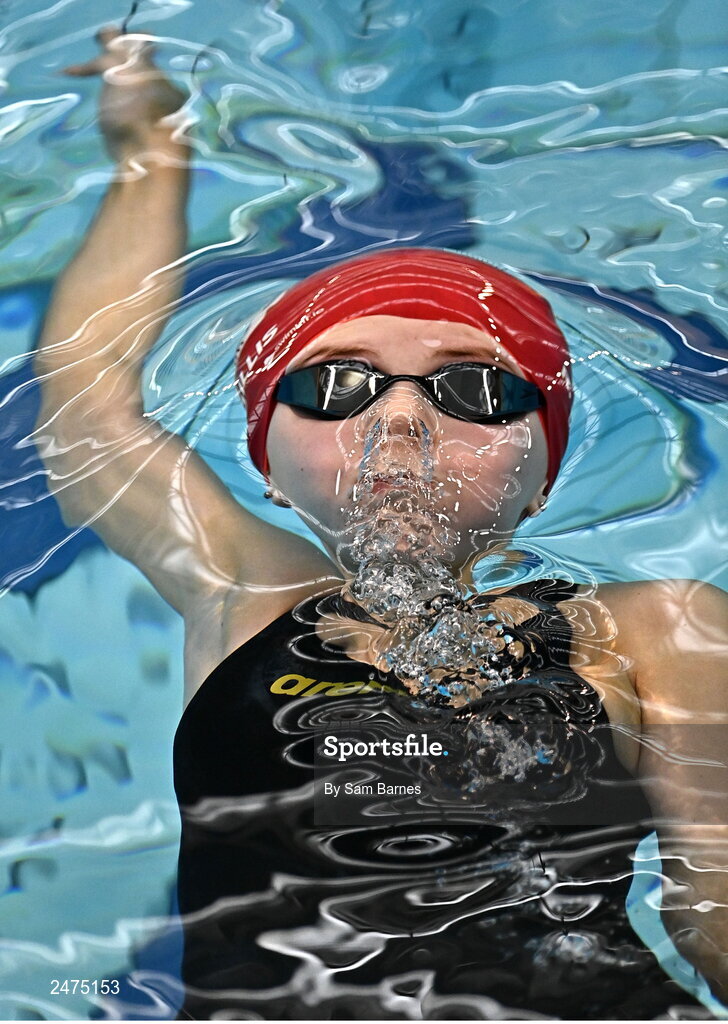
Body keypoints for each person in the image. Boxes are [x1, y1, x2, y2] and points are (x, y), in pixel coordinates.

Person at [35, 28, 728, 1020]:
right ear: (269, 469)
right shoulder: (240, 591)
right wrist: (153, 150)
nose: (399, 418)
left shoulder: (656, 630)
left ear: (539, 480)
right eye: (336, 385)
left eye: (473, 388)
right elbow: (88, 411)